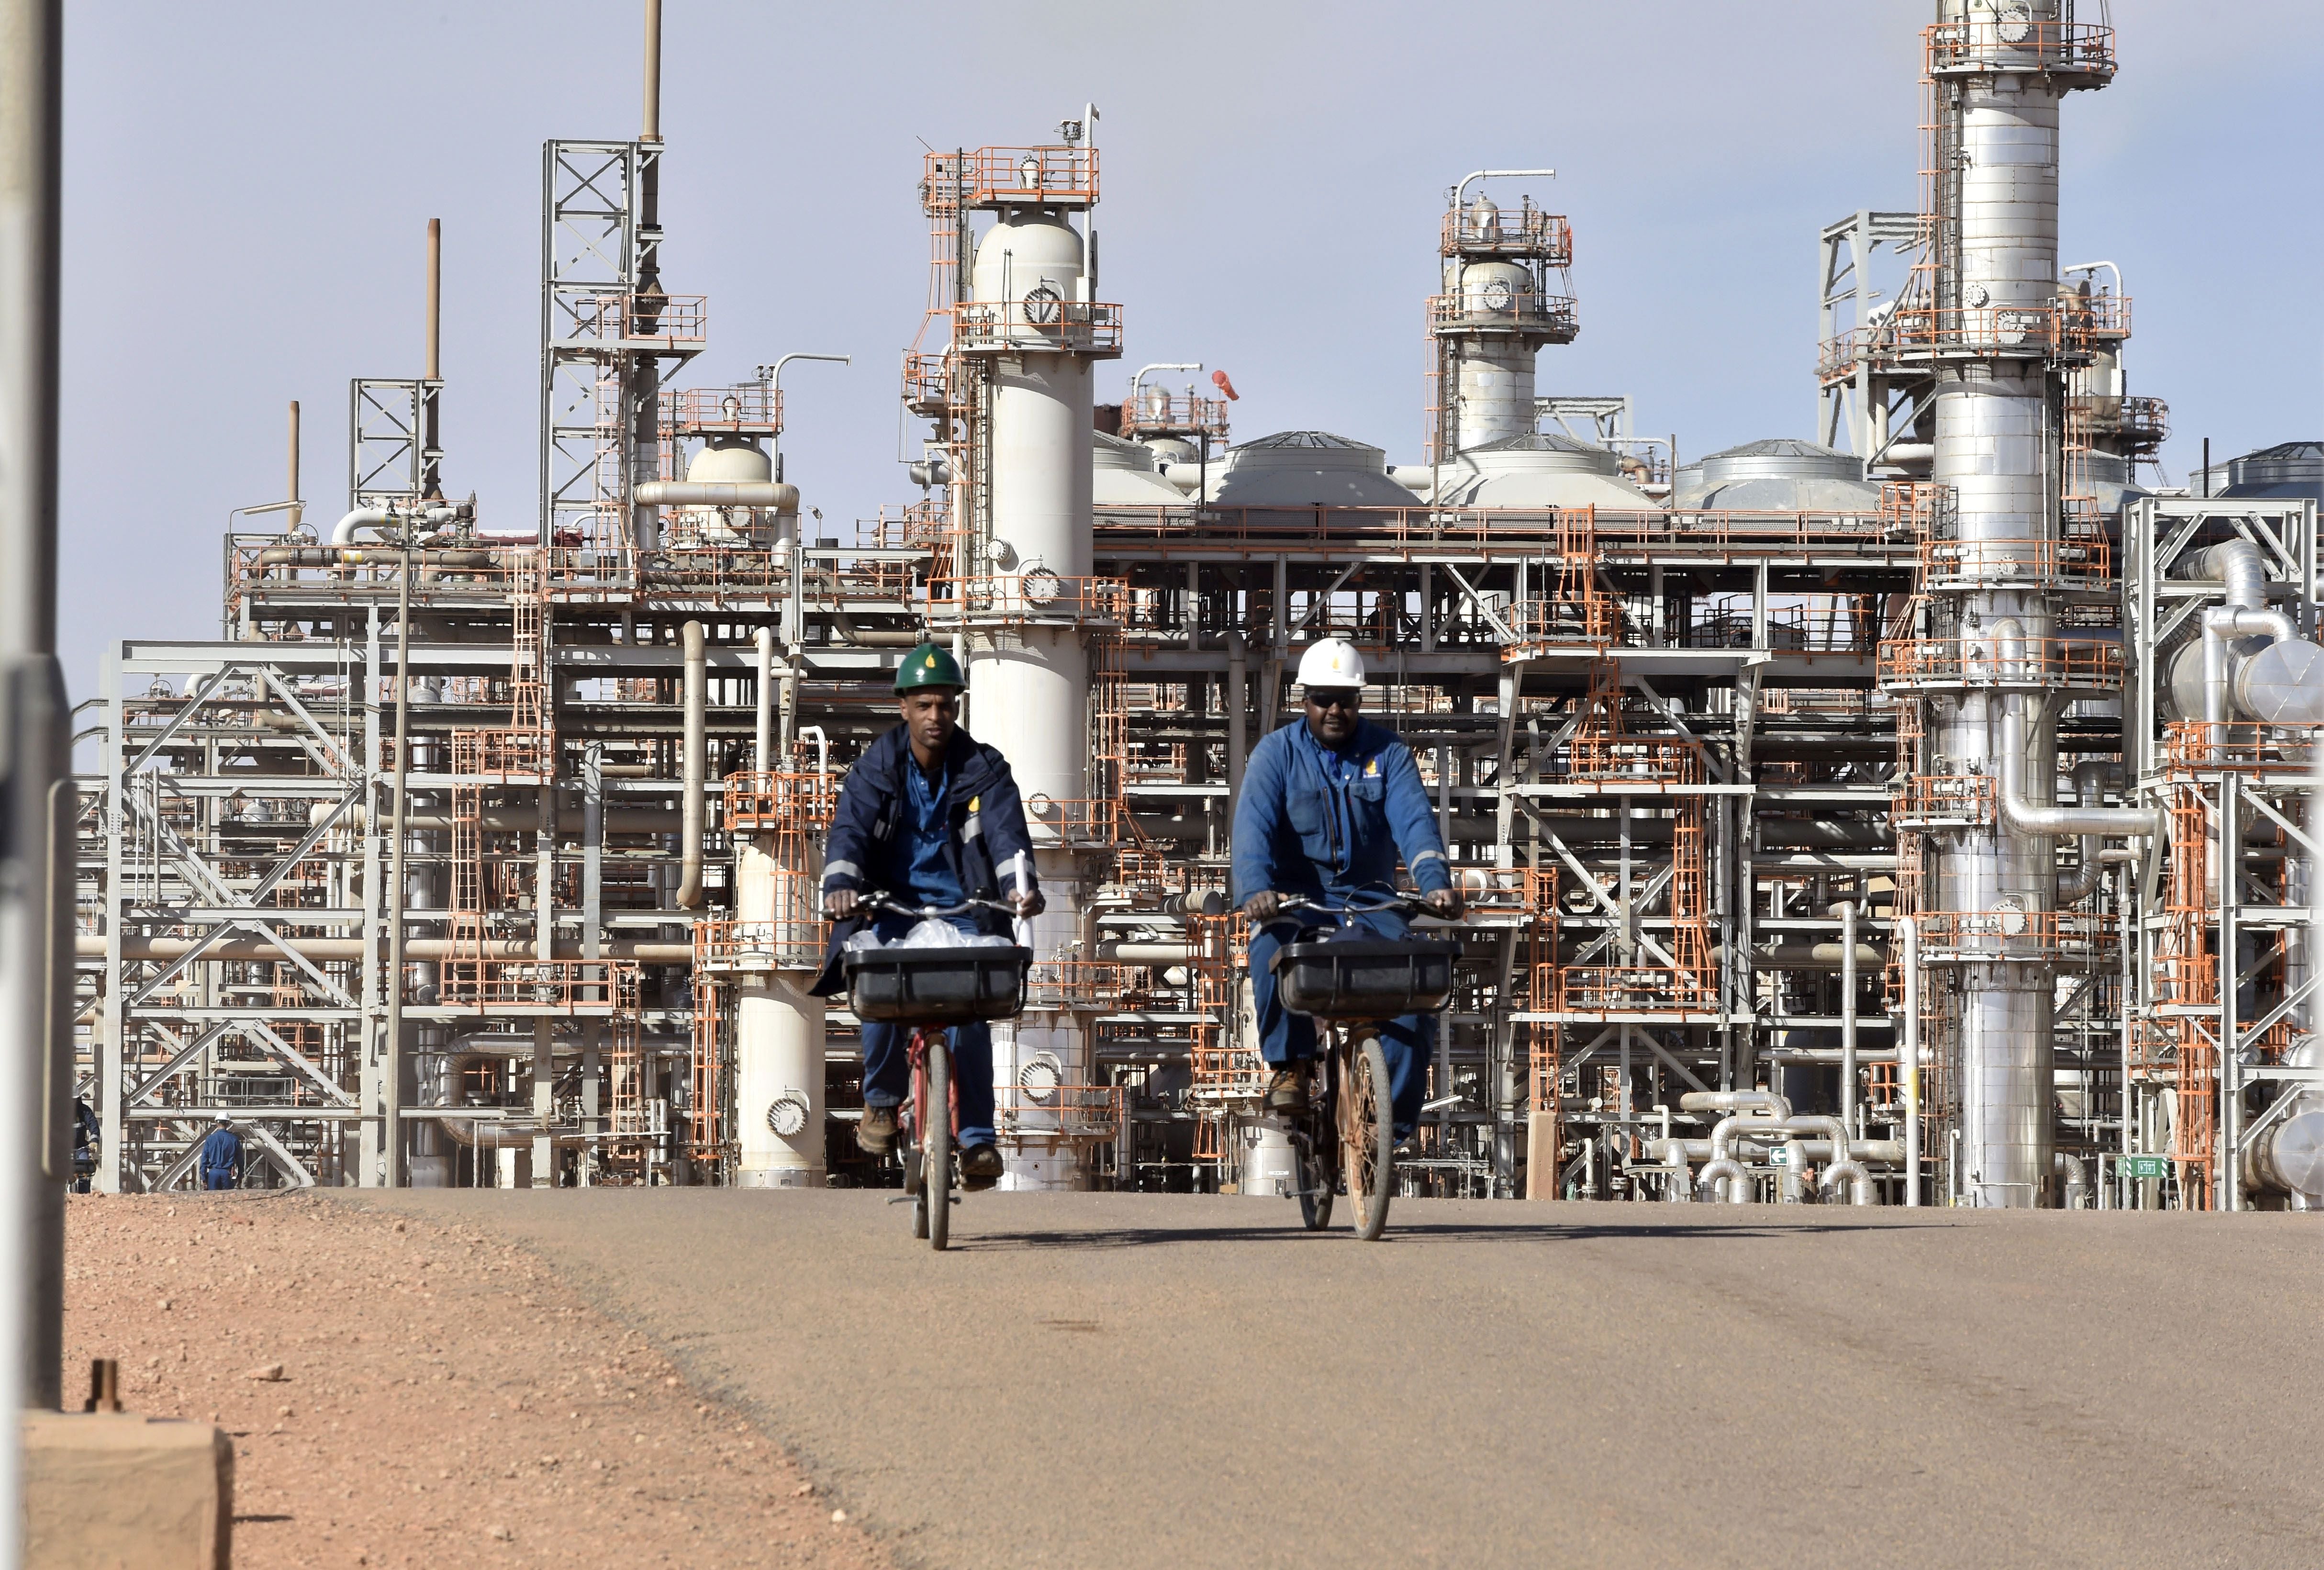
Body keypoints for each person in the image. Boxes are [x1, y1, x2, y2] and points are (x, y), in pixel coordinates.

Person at [811, 642, 1044, 1189]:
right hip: (890, 905)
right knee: (877, 992)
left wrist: (1019, 888)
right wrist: (842, 886)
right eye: (924, 705)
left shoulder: (984, 769)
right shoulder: (875, 769)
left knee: (970, 1015)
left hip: (967, 908)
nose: (935, 716)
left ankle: (977, 1140)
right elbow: (849, 831)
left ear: (957, 707)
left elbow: (1008, 835)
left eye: (944, 705)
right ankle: (882, 1104)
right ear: (903, 708)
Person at [1230, 637, 1463, 1138]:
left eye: (1347, 699)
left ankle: (1384, 1126)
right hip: (1298, 900)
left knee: (1414, 994)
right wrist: (1256, 889)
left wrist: (1435, 884)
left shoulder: (1389, 755)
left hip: (1373, 900)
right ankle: (1289, 1065)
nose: (1335, 709)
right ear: (1303, 700)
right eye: (1323, 699)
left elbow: (1415, 825)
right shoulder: (1276, 754)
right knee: (1272, 949)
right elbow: (1252, 830)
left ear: (1360, 701)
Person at [196, 1114, 243, 1192]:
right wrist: (240, 1176)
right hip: (227, 1175)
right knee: (228, 1199)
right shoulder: (234, 1140)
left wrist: (204, 1178)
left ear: (217, 1123)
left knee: (213, 1200)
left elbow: (204, 1159)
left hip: (213, 1174)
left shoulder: (210, 1139)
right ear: (228, 1124)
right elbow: (240, 1160)